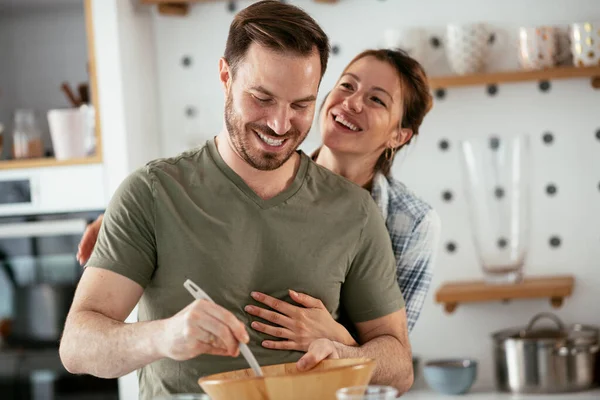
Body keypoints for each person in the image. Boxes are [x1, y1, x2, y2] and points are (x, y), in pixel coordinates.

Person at [60, 1, 413, 398]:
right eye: (262, 98)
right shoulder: (152, 192)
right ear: (226, 76)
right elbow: (76, 346)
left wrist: (346, 354)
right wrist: (162, 337)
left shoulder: (354, 211)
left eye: (301, 105)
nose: (280, 124)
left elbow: (399, 364)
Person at [78, 49, 441, 352]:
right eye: (347, 85)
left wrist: (333, 335)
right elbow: (190, 188)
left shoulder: (411, 223)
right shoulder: (272, 167)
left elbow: (390, 351)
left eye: (376, 100)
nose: (351, 102)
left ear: (399, 135)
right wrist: (123, 216)